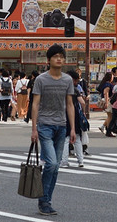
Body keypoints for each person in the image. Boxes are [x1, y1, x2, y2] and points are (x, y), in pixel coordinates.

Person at [30, 44, 76, 216]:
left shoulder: (67, 80)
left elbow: (70, 104)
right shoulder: (41, 79)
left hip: (62, 126)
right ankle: (44, 201)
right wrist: (34, 128)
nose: (59, 59)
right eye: (55, 56)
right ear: (48, 60)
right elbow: (35, 104)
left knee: (55, 167)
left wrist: (73, 128)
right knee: (52, 163)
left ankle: (46, 201)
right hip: (44, 126)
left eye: (61, 56)